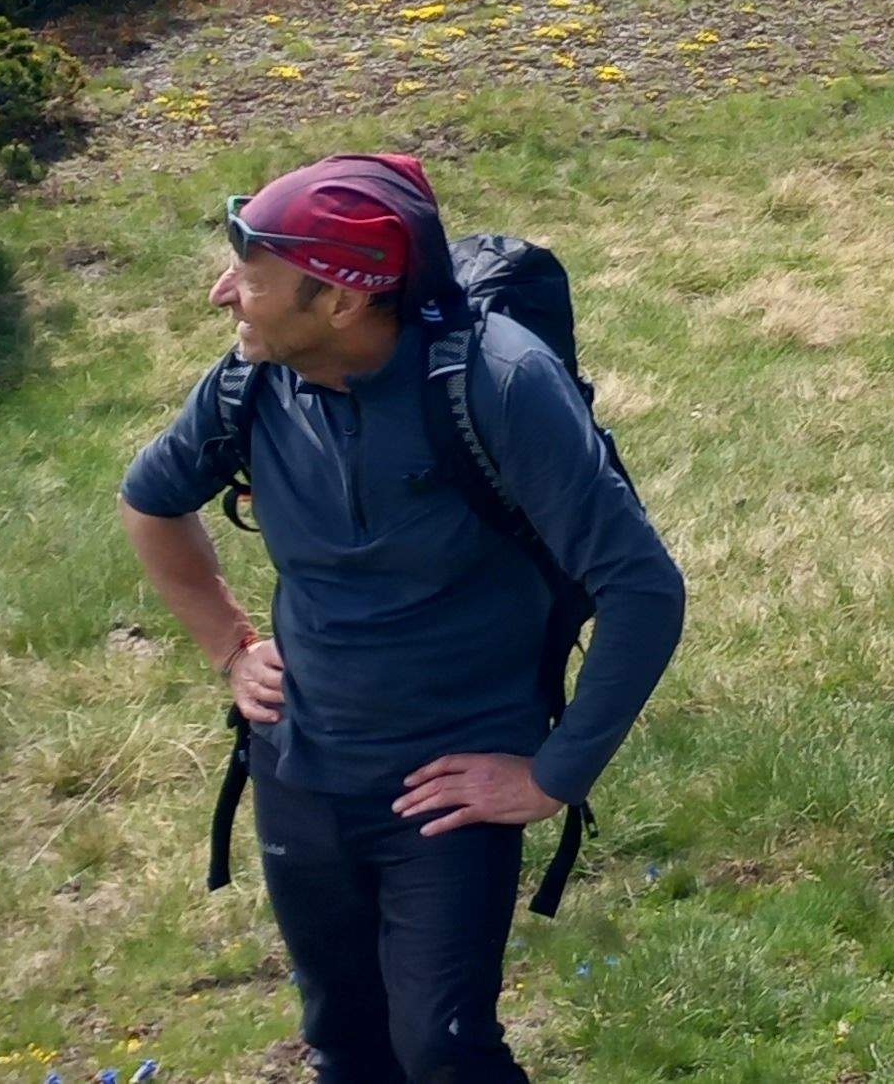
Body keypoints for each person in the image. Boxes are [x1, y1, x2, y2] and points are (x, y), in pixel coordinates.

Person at [119, 154, 685, 1084]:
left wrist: (554, 773)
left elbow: (644, 590)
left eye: (250, 280)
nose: (224, 294)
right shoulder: (251, 380)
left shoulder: (497, 385)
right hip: (300, 768)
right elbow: (150, 502)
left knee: (443, 1050)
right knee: (345, 1042)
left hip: (446, 781)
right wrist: (229, 648)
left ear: (341, 300)